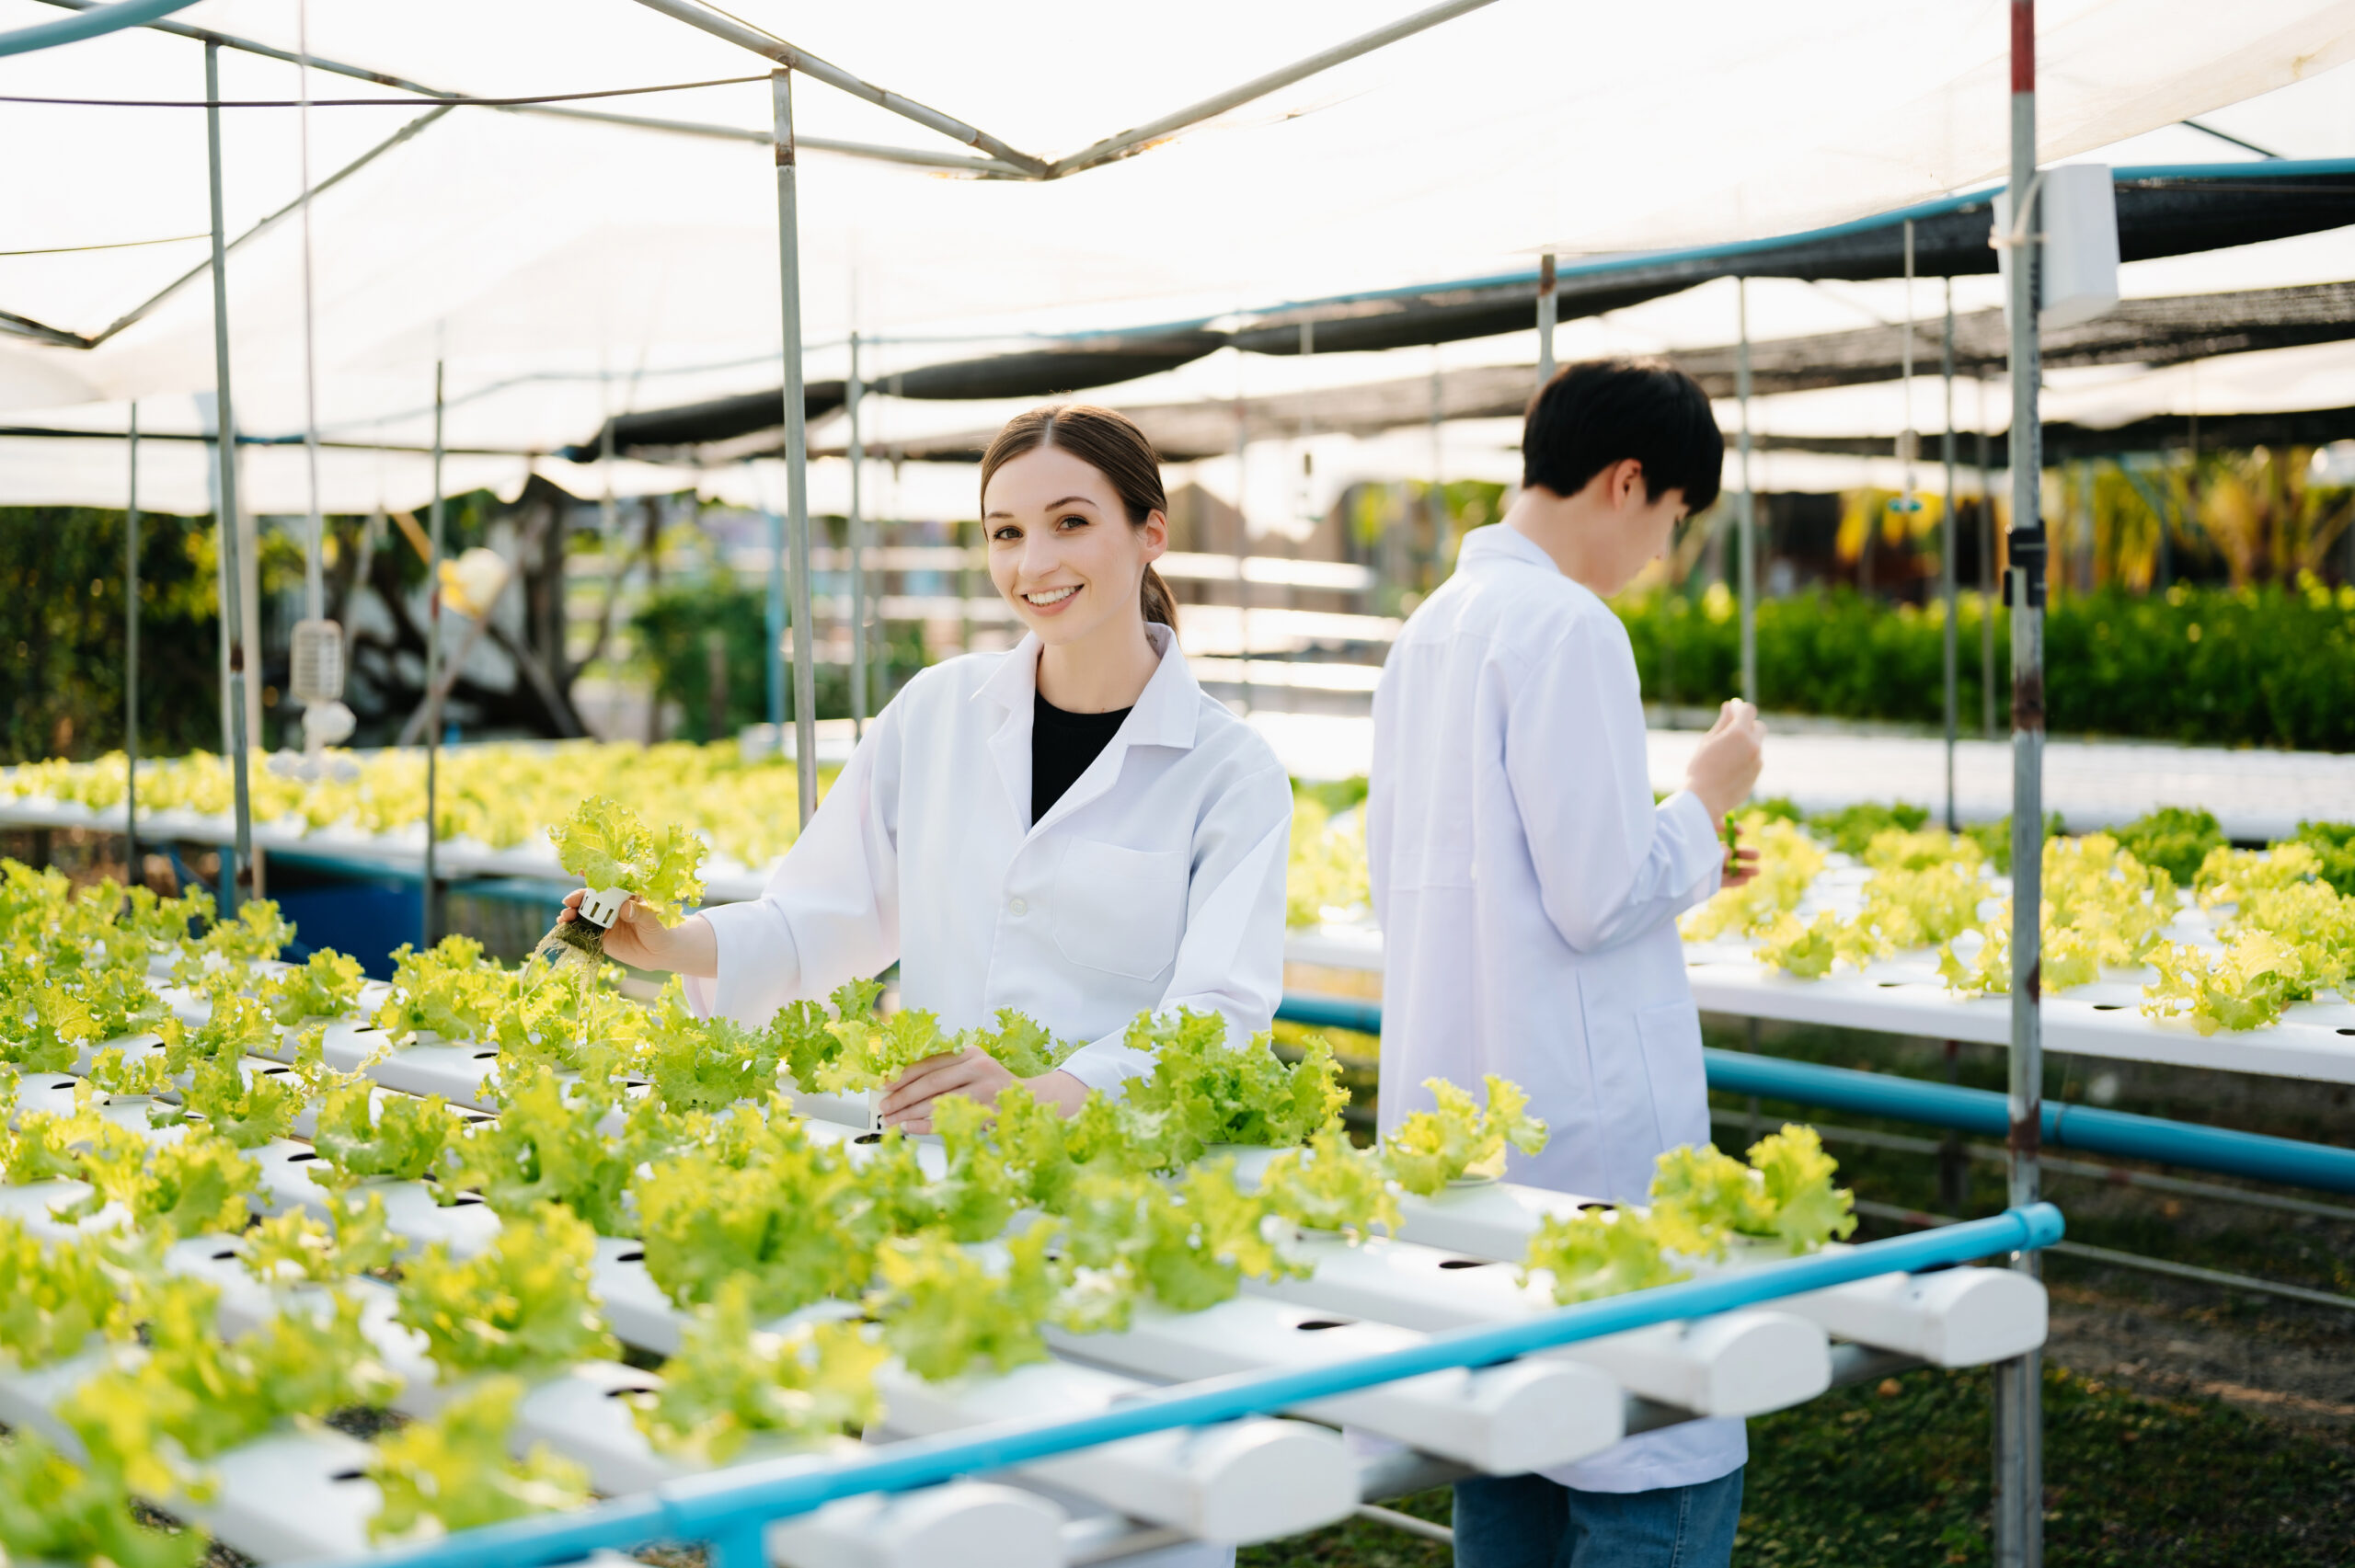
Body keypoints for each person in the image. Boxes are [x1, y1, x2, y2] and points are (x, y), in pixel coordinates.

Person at [569, 403, 1293, 1131]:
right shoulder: (936, 711)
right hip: (932, 1156)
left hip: (1116, 1169)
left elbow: (1220, 1013)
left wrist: (1038, 1095)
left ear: (1151, 532)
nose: (1034, 563)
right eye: (1005, 532)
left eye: (1070, 522)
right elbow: (823, 915)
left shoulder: (1231, 772)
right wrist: (675, 945)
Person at [1366, 359, 1765, 1568]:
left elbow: (1462, 878)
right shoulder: (1569, 625)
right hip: (1586, 1126)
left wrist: (1679, 844)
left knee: (1516, 1439)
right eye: (1671, 520)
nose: (1659, 550)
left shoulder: (1428, 630)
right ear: (1629, 480)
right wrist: (1705, 798)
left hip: (1464, 1104)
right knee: (1653, 1444)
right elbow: (1596, 899)